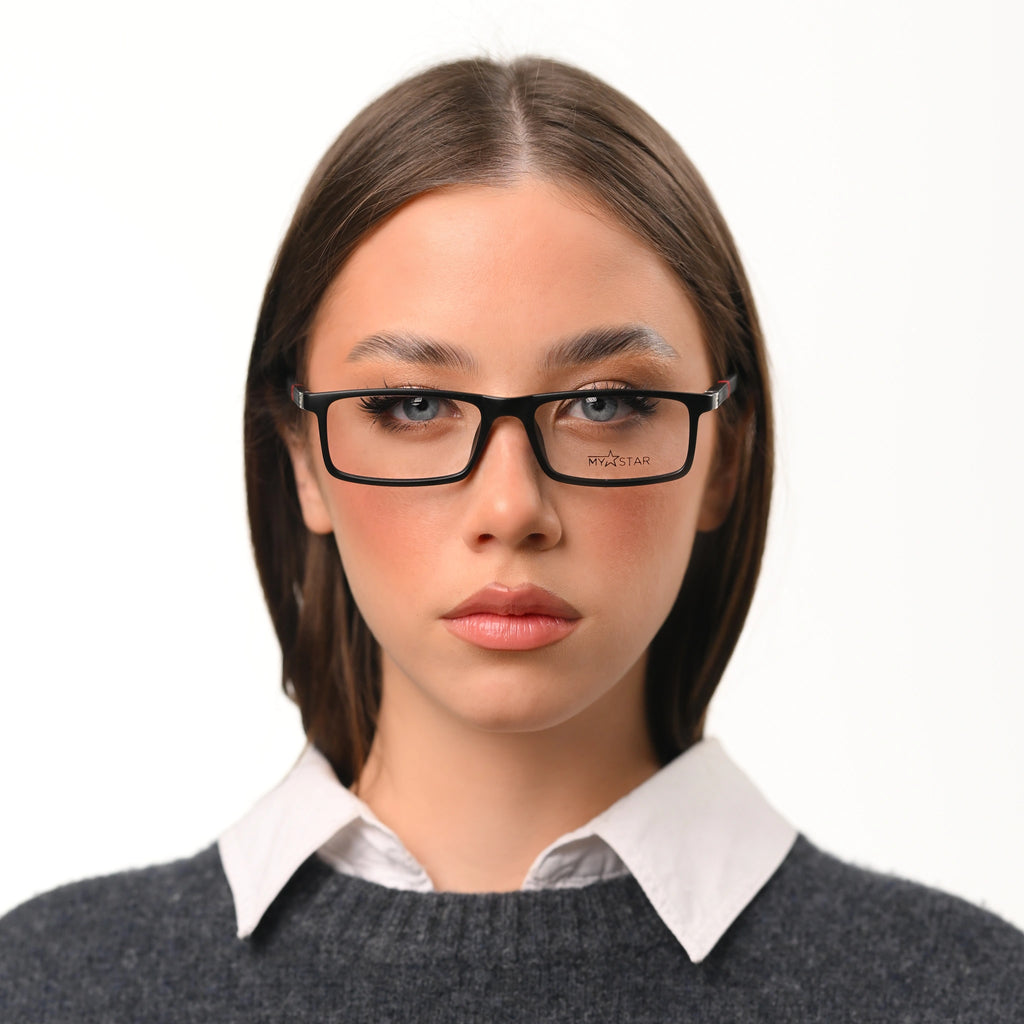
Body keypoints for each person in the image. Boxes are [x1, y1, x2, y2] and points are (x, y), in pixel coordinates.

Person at [1, 56, 1021, 1022]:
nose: (510, 506)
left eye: (606, 403)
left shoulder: (968, 993)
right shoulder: (47, 987)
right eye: (409, 403)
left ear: (723, 453)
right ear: (304, 456)